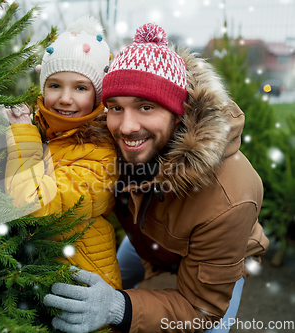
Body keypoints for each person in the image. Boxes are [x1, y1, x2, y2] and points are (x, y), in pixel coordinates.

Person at [43, 23, 269, 333]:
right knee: (118, 282)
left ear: (179, 112)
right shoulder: (109, 139)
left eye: (146, 107)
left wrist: (116, 307)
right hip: (146, 238)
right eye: (116, 107)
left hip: (211, 255)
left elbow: (199, 308)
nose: (127, 126)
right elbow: (60, 121)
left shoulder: (229, 197)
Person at [2, 16, 122, 290]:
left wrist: (21, 135)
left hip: (81, 288)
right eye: (55, 85)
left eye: (80, 88)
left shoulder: (100, 153)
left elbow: (34, 206)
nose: (65, 98)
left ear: (98, 95)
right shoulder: (36, 127)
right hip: (32, 283)